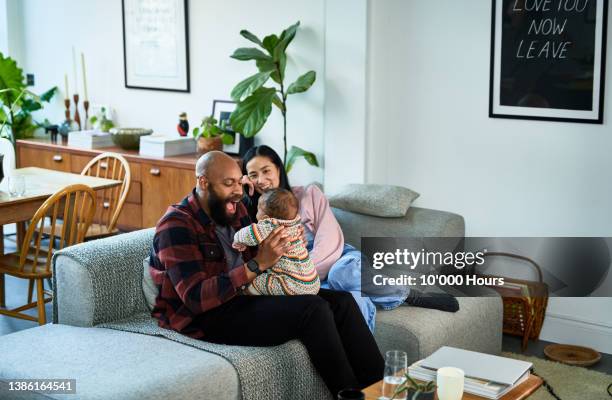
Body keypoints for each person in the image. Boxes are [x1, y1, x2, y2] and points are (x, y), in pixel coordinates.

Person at [149, 151, 383, 397]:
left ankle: (383, 391)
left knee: (343, 302)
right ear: (203, 182)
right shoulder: (176, 225)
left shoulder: (234, 208)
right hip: (206, 316)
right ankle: (349, 395)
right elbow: (195, 297)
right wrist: (257, 264)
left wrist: (287, 242)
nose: (238, 191)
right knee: (313, 309)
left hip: (245, 296)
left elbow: (260, 237)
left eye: (239, 182)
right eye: (229, 184)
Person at [242, 145, 459, 331]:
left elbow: (330, 239)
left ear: (278, 168)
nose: (261, 180)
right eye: (253, 175)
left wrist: (305, 275)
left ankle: (407, 293)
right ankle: (366, 375)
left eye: (265, 170)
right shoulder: (254, 217)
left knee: (342, 274)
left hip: (335, 259)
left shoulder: (309, 194)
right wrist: (242, 193)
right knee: (355, 301)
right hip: (302, 277)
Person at [232, 188, 320, 296]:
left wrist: (237, 240)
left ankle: (245, 294)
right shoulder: (296, 225)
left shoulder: (270, 226)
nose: (256, 212)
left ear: (265, 217)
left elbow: (248, 234)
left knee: (259, 281)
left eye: (258, 209)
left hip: (291, 284)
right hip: (312, 282)